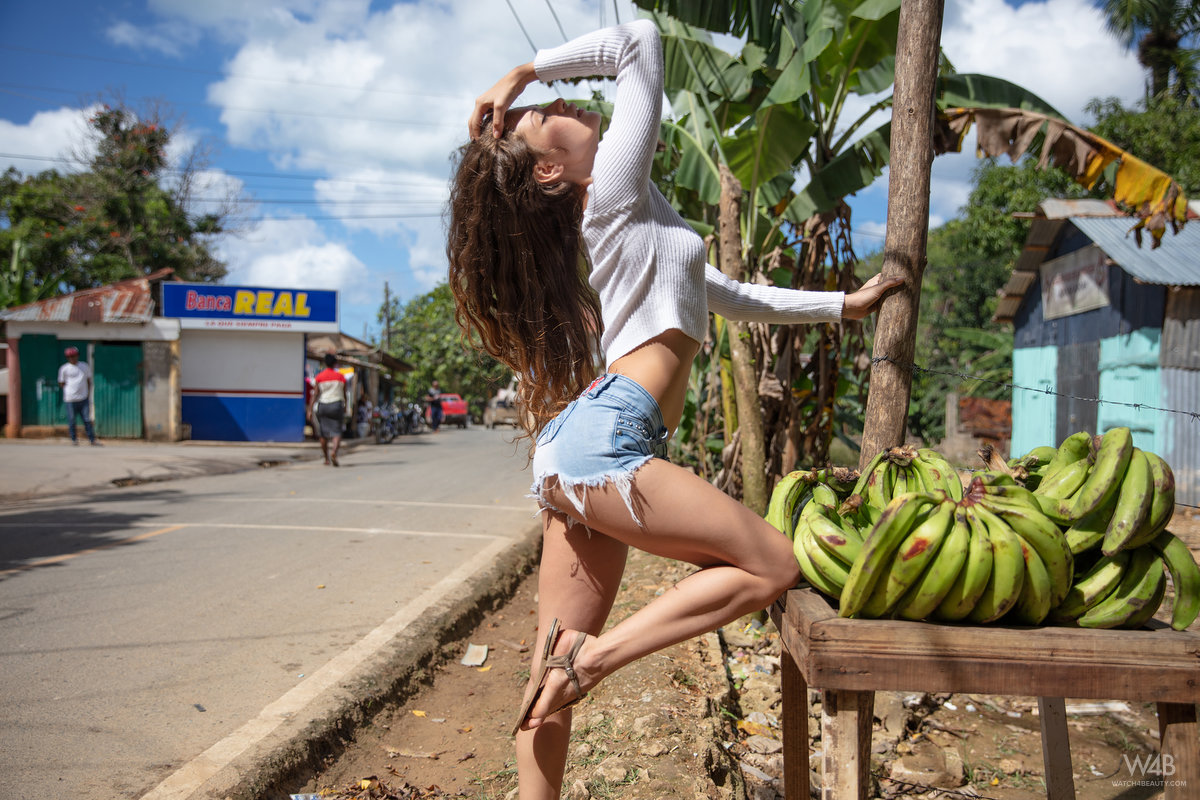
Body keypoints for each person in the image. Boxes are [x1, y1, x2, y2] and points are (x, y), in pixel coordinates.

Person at [449, 21, 902, 798]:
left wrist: (841, 306)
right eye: (542, 112)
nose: (558, 99)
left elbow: (725, 293)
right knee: (770, 563)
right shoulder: (613, 195)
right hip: (608, 439)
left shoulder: (636, 212)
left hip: (585, 438)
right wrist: (520, 70)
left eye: (545, 97)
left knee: (544, 665)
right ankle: (593, 663)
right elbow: (640, 41)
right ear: (554, 169)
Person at [58, 346, 98, 446]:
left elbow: (89, 381)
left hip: (83, 398)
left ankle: (92, 439)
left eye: (74, 356)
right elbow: (61, 383)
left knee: (87, 419)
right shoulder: (64, 369)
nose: (72, 358)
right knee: (71, 420)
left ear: (77, 356)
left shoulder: (84, 366)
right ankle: (74, 439)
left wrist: (88, 394)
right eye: (70, 356)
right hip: (70, 399)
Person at [312, 353, 347, 466]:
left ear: (324, 363)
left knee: (323, 433)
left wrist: (309, 409)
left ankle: (326, 459)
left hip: (323, 405)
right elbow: (344, 393)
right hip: (336, 405)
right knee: (337, 432)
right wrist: (345, 405)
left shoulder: (319, 377)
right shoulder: (340, 377)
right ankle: (334, 452)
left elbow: (315, 394)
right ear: (335, 363)